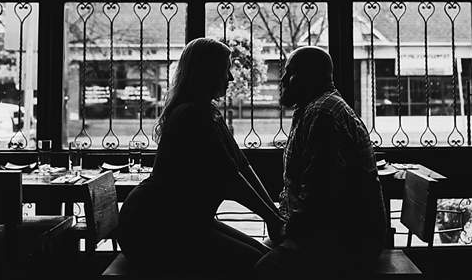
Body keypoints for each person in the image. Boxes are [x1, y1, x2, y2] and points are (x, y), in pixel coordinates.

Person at [118, 37, 285, 279]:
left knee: (262, 256)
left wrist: (273, 214)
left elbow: (243, 166)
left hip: (182, 221)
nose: (230, 77)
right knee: (260, 264)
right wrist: (272, 217)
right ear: (207, 72)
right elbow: (230, 178)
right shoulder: (192, 115)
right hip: (154, 228)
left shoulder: (207, 112)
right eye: (225, 69)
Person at [256, 46, 388, 280]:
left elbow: (320, 192)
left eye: (290, 72)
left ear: (310, 76)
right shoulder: (317, 107)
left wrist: (289, 231)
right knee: (257, 253)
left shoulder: (322, 114)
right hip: (336, 231)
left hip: (344, 241)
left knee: (260, 269)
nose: (284, 79)